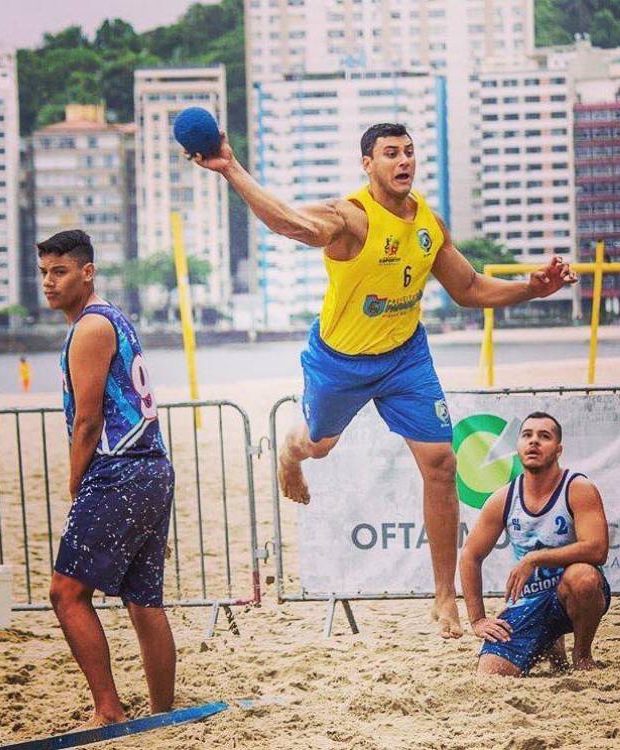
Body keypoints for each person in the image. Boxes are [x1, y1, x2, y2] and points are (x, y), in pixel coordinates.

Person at [193, 122, 577, 638]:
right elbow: (289, 224)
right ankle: (290, 450)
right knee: (318, 445)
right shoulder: (350, 216)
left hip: (404, 359)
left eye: (409, 153)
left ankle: (445, 598)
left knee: (441, 463)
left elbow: (467, 288)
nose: (403, 162)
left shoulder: (427, 223)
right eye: (390, 153)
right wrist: (232, 168)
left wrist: (531, 288)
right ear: (367, 164)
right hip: (340, 361)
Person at [38, 230, 176, 727]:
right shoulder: (111, 317)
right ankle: (162, 714)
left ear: (87, 271)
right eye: (44, 273)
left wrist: (77, 483)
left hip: (119, 468)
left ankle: (108, 710)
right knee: (143, 601)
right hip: (151, 465)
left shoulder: (91, 327)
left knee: (65, 592)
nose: (49, 283)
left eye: (60, 272)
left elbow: (88, 422)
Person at [460, 412, 611, 675]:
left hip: (573, 594)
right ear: (517, 447)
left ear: (558, 449)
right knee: (490, 674)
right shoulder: (503, 498)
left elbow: (597, 549)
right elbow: (470, 556)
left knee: (583, 578)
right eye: (527, 435)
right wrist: (478, 619)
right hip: (530, 601)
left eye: (544, 436)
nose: (534, 442)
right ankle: (551, 642)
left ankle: (583, 655)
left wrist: (535, 558)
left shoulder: (578, 487)